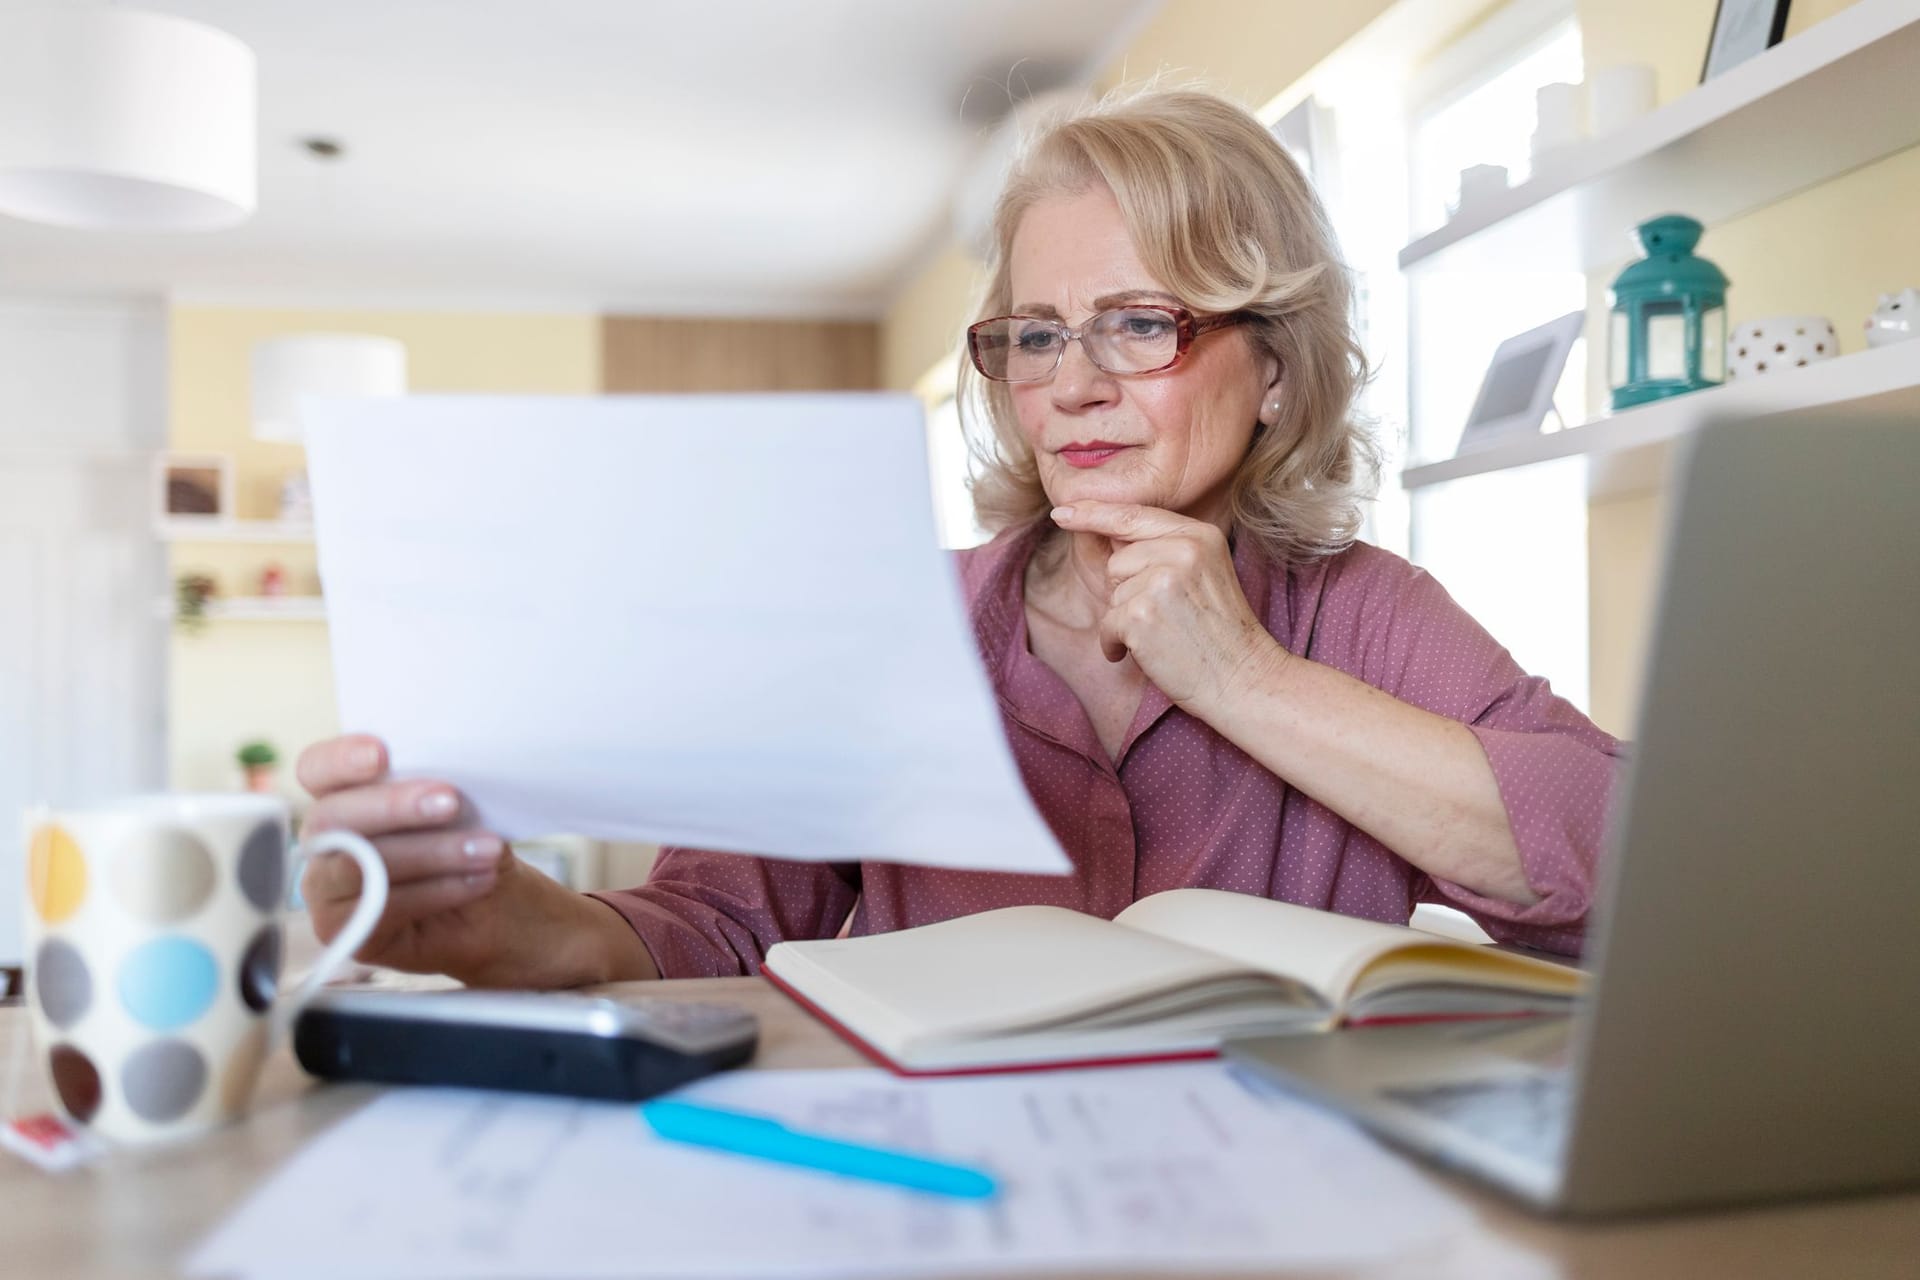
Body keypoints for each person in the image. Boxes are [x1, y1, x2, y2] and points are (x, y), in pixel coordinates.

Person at [297, 88, 1621, 989]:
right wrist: (511, 925)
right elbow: (714, 927)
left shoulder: (1363, 612)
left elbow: (1633, 864)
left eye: (1141, 322)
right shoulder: (900, 619)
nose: (1072, 384)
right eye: (1035, 333)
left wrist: (1247, 681)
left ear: (1275, 369)